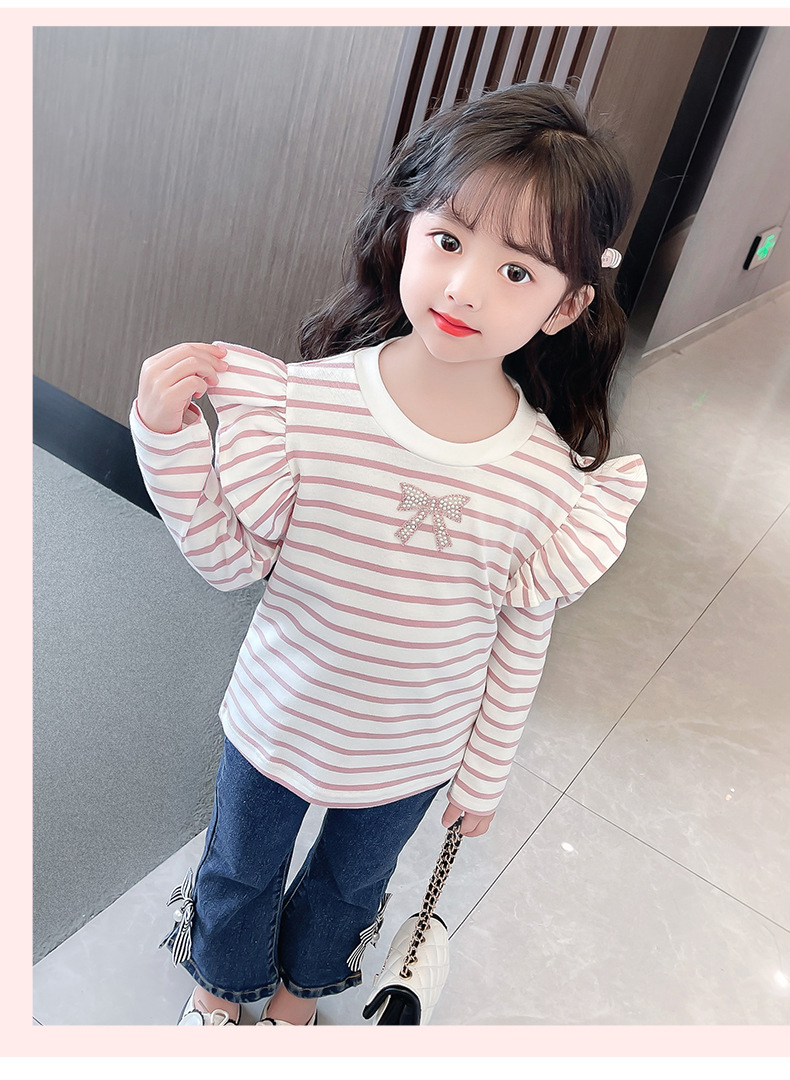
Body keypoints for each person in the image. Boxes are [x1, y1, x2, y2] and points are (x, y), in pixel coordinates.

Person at [130, 82, 647, 1027]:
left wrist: (484, 771)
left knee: (349, 887)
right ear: (407, 229)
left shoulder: (546, 481)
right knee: (240, 868)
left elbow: (519, 636)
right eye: (448, 240)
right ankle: (219, 994)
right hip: (278, 717)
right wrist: (167, 442)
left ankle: (295, 1004)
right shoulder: (306, 405)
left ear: (567, 305)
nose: (464, 287)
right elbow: (229, 562)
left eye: (517, 271)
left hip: (414, 748)